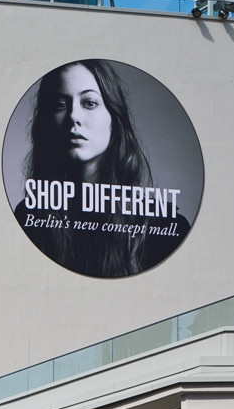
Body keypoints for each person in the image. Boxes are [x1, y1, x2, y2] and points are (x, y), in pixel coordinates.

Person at [12, 59, 190, 278]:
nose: (74, 117)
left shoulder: (165, 226)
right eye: (60, 105)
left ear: (114, 117)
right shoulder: (29, 216)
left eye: (89, 103)